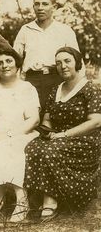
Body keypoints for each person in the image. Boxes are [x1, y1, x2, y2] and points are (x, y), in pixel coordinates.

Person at [24, 47, 101, 221]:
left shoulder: (89, 89)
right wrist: (45, 131)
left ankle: (51, 202)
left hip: (84, 139)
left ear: (77, 63)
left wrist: (64, 134)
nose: (63, 66)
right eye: (58, 63)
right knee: (33, 148)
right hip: (58, 136)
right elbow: (48, 119)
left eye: (67, 61)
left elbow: (96, 121)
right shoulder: (56, 89)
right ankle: (36, 198)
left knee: (51, 151)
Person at [0, 49, 40, 222]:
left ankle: (21, 198)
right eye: (0, 63)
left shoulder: (26, 88)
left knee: (12, 149)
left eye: (8, 61)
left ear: (17, 64)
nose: (4, 65)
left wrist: (8, 135)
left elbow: (34, 119)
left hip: (21, 132)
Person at [13, 0, 79, 111]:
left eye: (45, 4)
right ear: (33, 7)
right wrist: (16, 84)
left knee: (54, 116)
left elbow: (77, 62)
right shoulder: (26, 30)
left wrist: (78, 85)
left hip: (57, 79)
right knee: (32, 115)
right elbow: (15, 60)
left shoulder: (65, 30)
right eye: (37, 4)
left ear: (53, 7)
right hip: (31, 80)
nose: (40, 8)